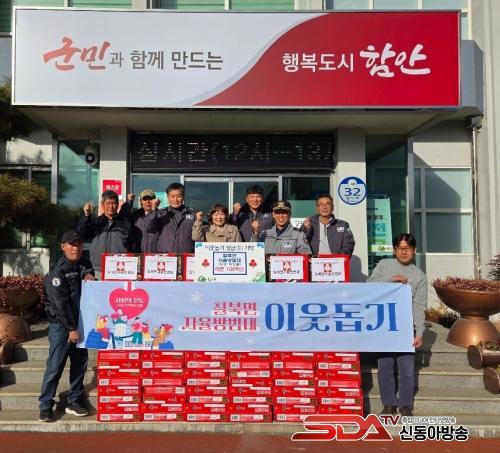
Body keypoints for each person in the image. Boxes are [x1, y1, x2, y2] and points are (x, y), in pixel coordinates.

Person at [367, 233, 427, 417]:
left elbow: (419, 305)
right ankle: (389, 404)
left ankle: (405, 405)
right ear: (394, 250)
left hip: (407, 328)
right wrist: (391, 280)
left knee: (406, 369)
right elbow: (369, 285)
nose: (403, 252)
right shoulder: (384, 265)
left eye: (407, 248)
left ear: (414, 250)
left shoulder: (419, 275)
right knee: (385, 366)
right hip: (384, 324)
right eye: (400, 248)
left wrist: (419, 332)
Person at [38, 230, 95, 422]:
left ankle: (75, 400)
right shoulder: (58, 270)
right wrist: (71, 328)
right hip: (62, 326)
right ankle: (45, 404)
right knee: (55, 366)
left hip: (80, 324)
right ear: (63, 247)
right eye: (71, 244)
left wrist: (89, 276)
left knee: (79, 364)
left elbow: (88, 278)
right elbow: (59, 304)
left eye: (78, 244)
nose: (76, 248)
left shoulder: (84, 264)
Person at [77, 190, 135, 275]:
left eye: (113, 203)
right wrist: (87, 215)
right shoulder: (96, 222)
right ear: (102, 204)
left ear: (118, 204)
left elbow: (133, 247)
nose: (111, 206)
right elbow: (82, 233)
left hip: (120, 270)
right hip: (97, 270)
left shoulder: (125, 224)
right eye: (108, 203)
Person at [147, 182, 195, 253]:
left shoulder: (192, 214)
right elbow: (150, 229)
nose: (175, 200)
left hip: (186, 256)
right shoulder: (161, 213)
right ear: (168, 197)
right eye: (172, 196)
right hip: (165, 256)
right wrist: (154, 210)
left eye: (178, 196)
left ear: (183, 197)